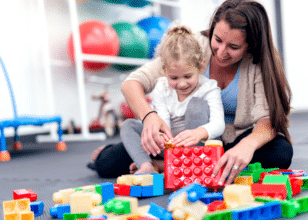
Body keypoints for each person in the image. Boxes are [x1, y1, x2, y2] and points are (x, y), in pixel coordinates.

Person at [120, 0, 293, 185]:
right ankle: (171, 164)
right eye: (217, 40)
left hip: (224, 139)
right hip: (179, 136)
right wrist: (149, 117)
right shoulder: (192, 46)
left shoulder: (258, 64)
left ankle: (168, 166)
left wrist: (246, 146)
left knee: (280, 151)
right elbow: (131, 83)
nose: (220, 52)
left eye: (233, 47)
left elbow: (268, 120)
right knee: (110, 160)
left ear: (250, 45)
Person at [88, 24, 225, 177]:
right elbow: (162, 121)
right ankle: (147, 166)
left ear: (200, 68)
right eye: (174, 77)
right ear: (164, 71)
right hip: (170, 147)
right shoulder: (161, 86)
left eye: (188, 76)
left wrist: (198, 133)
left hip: (200, 147)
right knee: (128, 125)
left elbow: (219, 124)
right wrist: (160, 136)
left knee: (196, 105)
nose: (181, 84)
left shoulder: (209, 87)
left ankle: (180, 165)